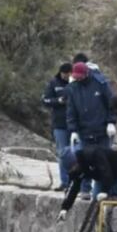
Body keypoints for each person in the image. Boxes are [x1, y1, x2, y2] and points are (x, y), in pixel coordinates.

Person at [66, 62, 116, 200]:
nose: (79, 79)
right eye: (76, 78)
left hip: (102, 129)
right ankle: (85, 189)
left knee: (105, 161)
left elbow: (112, 104)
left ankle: (107, 189)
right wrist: (73, 130)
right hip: (84, 130)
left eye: (80, 77)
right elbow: (71, 111)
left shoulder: (100, 83)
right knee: (84, 161)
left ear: (86, 73)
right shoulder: (73, 88)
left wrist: (111, 122)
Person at [56, 145, 117, 220]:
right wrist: (64, 208)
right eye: (72, 169)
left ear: (76, 160)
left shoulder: (92, 154)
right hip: (101, 177)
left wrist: (104, 191)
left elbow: (106, 171)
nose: (75, 169)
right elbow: (74, 188)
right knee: (96, 197)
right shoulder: (74, 171)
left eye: (74, 166)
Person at [42, 63, 72, 191]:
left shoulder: (75, 83)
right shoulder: (53, 83)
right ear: (61, 73)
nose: (67, 76)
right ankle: (64, 182)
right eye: (65, 74)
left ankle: (76, 183)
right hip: (60, 124)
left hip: (75, 124)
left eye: (69, 74)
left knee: (76, 153)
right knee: (62, 153)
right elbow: (45, 100)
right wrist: (58, 101)